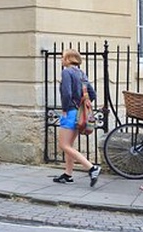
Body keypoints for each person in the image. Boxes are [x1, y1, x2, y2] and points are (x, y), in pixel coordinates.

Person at [52, 48, 101, 186]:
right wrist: (82, 103)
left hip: (70, 112)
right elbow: (93, 94)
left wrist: (65, 109)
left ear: (68, 59)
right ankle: (68, 175)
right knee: (69, 145)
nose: (61, 60)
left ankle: (92, 168)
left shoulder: (67, 72)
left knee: (63, 145)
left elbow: (66, 93)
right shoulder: (81, 73)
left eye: (62, 57)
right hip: (79, 113)